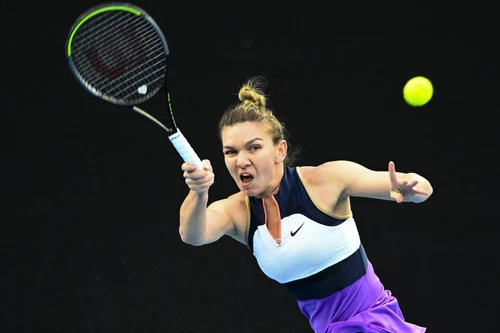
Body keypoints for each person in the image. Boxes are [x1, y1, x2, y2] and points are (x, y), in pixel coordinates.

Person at [178, 77, 433, 333]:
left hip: (373, 321)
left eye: (254, 148)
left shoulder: (325, 180)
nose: (241, 160)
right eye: (230, 152)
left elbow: (415, 188)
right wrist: (198, 192)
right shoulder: (236, 212)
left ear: (280, 151)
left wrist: (411, 187)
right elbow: (193, 235)